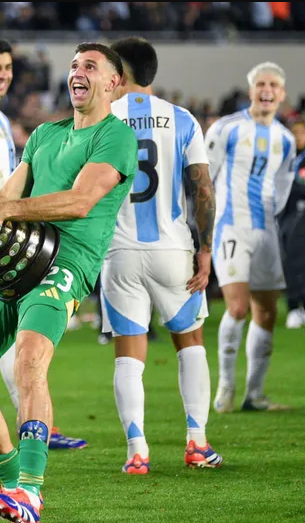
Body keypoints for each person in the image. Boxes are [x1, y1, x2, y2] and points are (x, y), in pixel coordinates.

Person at [0, 42, 138, 522]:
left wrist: (4, 210)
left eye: (90, 66)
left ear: (115, 83)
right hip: (12, 259)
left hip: (66, 263)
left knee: (29, 358)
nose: (77, 73)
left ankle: (30, 489)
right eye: (73, 66)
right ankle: (9, 489)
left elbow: (80, 201)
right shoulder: (46, 133)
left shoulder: (116, 136)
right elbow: (7, 192)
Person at [100, 36, 223, 475]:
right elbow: (203, 189)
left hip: (119, 253)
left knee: (128, 354)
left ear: (120, 72)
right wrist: (206, 251)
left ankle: (137, 451)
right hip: (174, 250)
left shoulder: (101, 118)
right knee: (190, 344)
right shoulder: (183, 118)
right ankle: (197, 443)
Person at [0, 37, 87, 456]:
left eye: (8, 67)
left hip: (8, 235)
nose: (3, 75)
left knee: (10, 348)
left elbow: (9, 184)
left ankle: (32, 432)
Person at [205, 62, 296, 413]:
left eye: (273, 84)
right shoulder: (227, 128)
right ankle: (226, 387)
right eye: (261, 84)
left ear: (282, 93)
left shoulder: (285, 139)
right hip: (231, 227)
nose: (267, 90)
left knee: (268, 312)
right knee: (237, 307)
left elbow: (284, 186)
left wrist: (271, 217)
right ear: (251, 90)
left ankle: (254, 394)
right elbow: (204, 176)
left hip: (265, 232)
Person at [278, 118, 305, 328]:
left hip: (300, 215)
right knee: (290, 262)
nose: (297, 138)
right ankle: (294, 306)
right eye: (294, 133)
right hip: (287, 217)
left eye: (301, 133)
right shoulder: (285, 159)